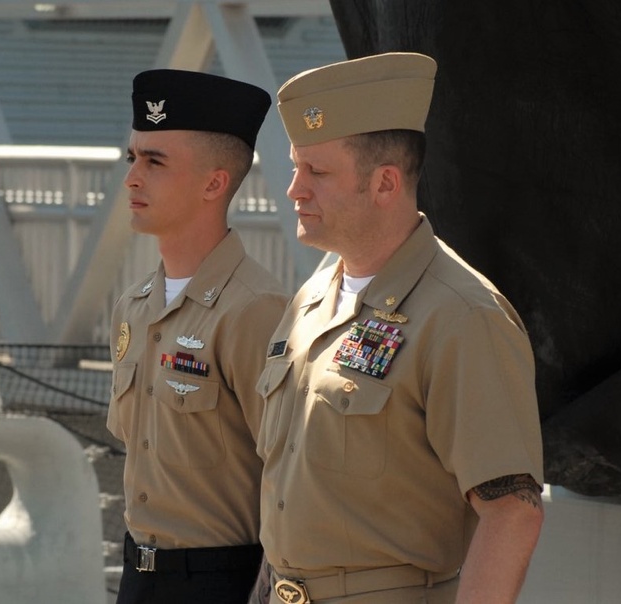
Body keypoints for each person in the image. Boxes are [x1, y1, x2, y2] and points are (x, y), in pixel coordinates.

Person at [251, 52, 545, 604]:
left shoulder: (462, 316)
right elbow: (292, 498)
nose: (294, 189)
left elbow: (512, 512)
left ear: (385, 183)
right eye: (295, 166)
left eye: (316, 171)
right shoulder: (315, 297)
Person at [107, 68, 289, 604]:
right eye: (132, 158)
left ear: (214, 183)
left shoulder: (256, 309)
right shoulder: (134, 307)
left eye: (155, 161)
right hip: (137, 577)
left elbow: (293, 480)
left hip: (226, 583)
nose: (132, 178)